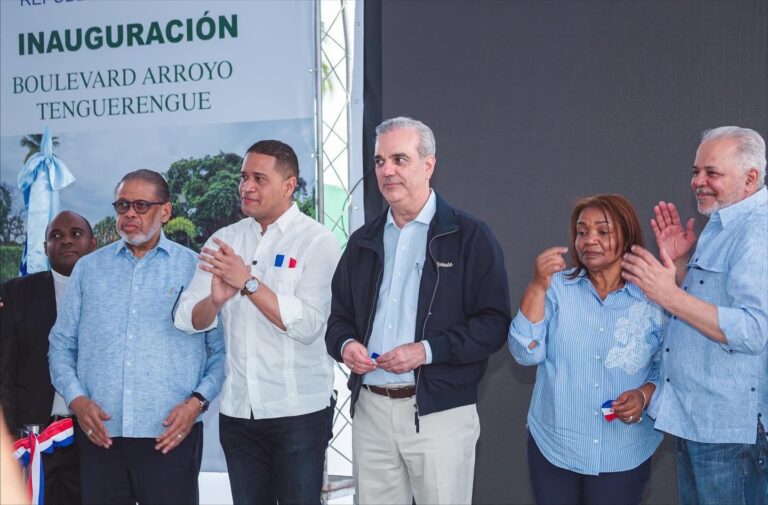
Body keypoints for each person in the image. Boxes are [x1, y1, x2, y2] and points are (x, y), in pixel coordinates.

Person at [325, 117, 511, 505]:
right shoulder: (362, 241)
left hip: (439, 412)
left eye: (399, 159)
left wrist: (425, 351)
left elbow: (493, 325)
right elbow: (338, 318)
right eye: (379, 161)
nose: (387, 170)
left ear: (428, 165)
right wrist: (346, 346)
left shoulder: (469, 235)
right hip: (371, 409)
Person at [174, 140, 340, 505]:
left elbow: (309, 324)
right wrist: (215, 301)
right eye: (243, 177)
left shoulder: (318, 242)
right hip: (238, 413)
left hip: (298, 413)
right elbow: (188, 319)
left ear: (288, 185)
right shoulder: (224, 240)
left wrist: (247, 282)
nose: (246, 187)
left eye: (258, 178)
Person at [48, 169, 225, 505]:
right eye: (122, 205)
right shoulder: (89, 269)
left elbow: (219, 352)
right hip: (100, 434)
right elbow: (60, 345)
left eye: (141, 205)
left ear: (166, 211)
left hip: (170, 434)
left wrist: (196, 404)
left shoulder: (195, 268)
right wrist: (77, 400)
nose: (129, 214)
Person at [622, 126, 768, 505]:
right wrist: (684, 266)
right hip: (699, 421)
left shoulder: (758, 232)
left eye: (711, 173)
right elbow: (715, 306)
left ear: (750, 178)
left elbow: (754, 330)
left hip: (728, 432)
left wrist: (670, 295)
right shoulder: (722, 225)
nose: (697, 182)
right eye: (695, 171)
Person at [509, 194, 665, 505]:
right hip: (556, 447)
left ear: (628, 236)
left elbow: (671, 366)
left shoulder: (655, 295)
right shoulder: (556, 288)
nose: (589, 240)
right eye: (582, 232)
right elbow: (525, 353)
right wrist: (537, 286)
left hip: (624, 451)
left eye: (602, 232)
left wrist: (645, 395)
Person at [1, 211, 96, 505]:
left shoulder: (111, 294)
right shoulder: (15, 293)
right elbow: (5, 370)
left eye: (76, 233)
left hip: (94, 439)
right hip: (35, 438)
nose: (66, 240)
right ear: (45, 247)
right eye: (56, 235)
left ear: (93, 244)